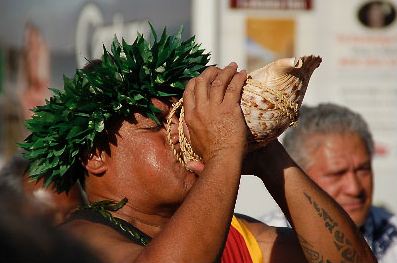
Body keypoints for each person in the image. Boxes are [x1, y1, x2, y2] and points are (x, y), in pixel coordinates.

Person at [21, 26, 376, 263]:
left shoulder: (240, 235)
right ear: (96, 155)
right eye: (160, 124)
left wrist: (269, 156)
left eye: (184, 119)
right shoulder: (77, 241)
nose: (183, 134)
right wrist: (223, 151)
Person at [260, 103, 397, 262]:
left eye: (363, 169)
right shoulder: (261, 244)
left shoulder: (392, 235)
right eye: (336, 174)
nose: (354, 188)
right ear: (299, 176)